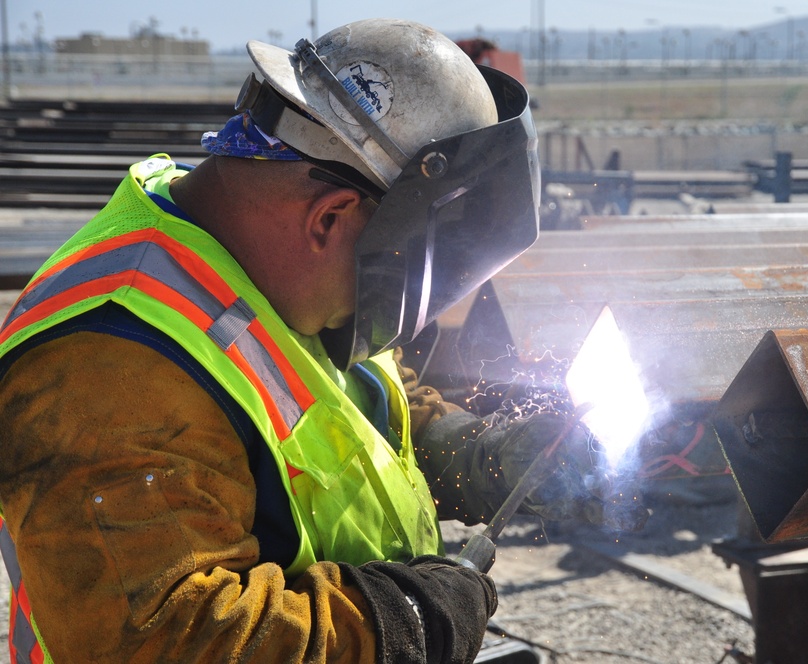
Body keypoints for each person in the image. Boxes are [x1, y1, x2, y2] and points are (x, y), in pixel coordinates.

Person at [0, 18, 645, 664]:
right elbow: (168, 639)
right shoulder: (106, 366)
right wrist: (401, 619)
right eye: (408, 261)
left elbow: (354, 412)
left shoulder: (272, 271)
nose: (402, 312)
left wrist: (488, 456)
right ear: (331, 216)